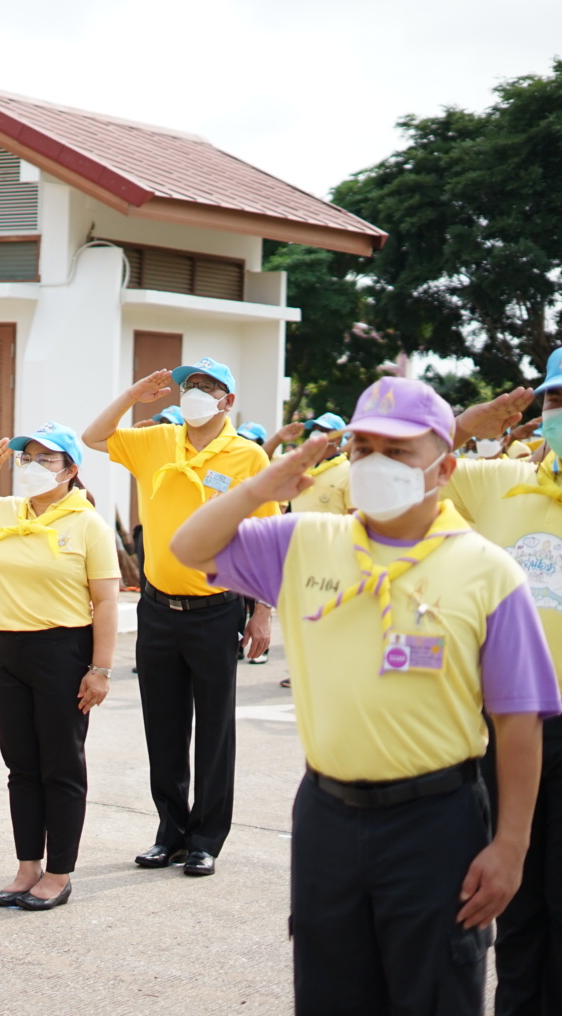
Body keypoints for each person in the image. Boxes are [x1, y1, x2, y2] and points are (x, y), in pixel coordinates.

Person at [171, 375, 559, 1014]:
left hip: (437, 820)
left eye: (399, 451)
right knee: (330, 990)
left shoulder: (489, 571)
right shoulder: (304, 542)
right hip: (328, 816)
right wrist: (260, 489)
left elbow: (519, 720)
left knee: (436, 990)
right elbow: (189, 547)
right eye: (363, 449)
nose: (376, 464)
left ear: (445, 466)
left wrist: (511, 845)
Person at [83, 356, 275, 876]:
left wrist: (261, 612)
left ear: (228, 401)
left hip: (216, 611)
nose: (194, 394)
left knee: (214, 731)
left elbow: (263, 541)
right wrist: (131, 397)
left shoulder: (248, 458)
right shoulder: (156, 442)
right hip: (158, 608)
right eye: (190, 385)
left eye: (208, 387)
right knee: (163, 728)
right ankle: (170, 831)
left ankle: (206, 838)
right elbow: (93, 437)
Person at [0, 424, 119, 910]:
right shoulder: (7, 511)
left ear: (71, 470)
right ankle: (28, 866)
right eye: (27, 458)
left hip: (63, 652)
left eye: (47, 459)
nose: (34, 467)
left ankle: (59, 872)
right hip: (11, 648)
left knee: (61, 765)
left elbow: (105, 602)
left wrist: (100, 669)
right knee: (21, 764)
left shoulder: (87, 524)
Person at [442, 353, 562, 1015]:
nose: (561, 412)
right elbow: (403, 474)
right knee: (514, 905)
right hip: (510, 726)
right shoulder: (500, 483)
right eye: (555, 399)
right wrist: (462, 426)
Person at [265, 412, 350, 514]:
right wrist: (279, 437)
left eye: (323, 430)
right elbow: (262, 459)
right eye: (316, 429)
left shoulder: (348, 471)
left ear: (337, 439)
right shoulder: (299, 460)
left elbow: (356, 515)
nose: (316, 434)